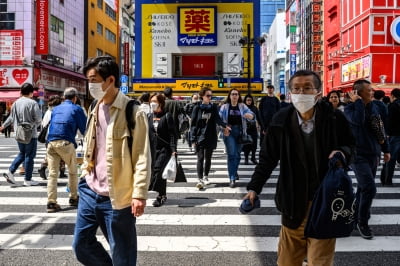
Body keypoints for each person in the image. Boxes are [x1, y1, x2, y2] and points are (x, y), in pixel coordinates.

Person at [244, 70, 355, 265]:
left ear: (318, 92)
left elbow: (351, 146)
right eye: (296, 88)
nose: (301, 93)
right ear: (290, 93)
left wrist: (342, 153)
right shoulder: (281, 120)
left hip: (324, 199)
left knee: (319, 261)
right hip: (292, 200)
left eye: (307, 88)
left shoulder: (334, 118)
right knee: (288, 260)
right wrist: (254, 187)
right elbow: (267, 158)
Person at [72, 56, 151, 265]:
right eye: (88, 80)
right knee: (81, 246)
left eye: (94, 80)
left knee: (122, 256)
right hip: (90, 189)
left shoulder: (133, 111)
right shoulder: (94, 108)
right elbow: (92, 146)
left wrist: (139, 194)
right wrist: (83, 176)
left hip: (118, 196)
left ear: (110, 80)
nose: (90, 86)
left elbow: (142, 156)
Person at [344, 79, 390, 239]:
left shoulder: (375, 106)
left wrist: (385, 149)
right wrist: (357, 103)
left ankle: (354, 219)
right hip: (358, 156)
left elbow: (380, 129)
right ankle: (362, 221)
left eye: (371, 90)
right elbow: (358, 120)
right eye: (368, 90)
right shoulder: (349, 109)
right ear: (357, 93)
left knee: (363, 189)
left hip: (373, 153)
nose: (372, 92)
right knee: (370, 188)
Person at [45, 88, 87, 212]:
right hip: (65, 142)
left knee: (52, 173)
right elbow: (85, 129)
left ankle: (51, 202)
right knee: (73, 171)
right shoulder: (77, 109)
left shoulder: (56, 109)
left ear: (64, 98)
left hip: (51, 142)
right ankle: (73, 197)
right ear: (75, 98)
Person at [1, 83, 42, 186]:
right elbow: (38, 119)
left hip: (19, 133)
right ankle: (27, 179)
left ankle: (10, 171)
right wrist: (33, 125)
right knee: (29, 156)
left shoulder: (15, 103)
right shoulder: (33, 103)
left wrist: (3, 126)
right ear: (31, 92)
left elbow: (11, 117)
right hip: (30, 134)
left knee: (22, 153)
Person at [190, 87, 228, 189]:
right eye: (208, 95)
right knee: (200, 158)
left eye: (211, 95)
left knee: (208, 157)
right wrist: (193, 139)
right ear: (202, 96)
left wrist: (225, 126)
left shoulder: (213, 107)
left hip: (210, 135)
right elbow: (193, 124)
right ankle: (199, 179)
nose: (210, 97)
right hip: (199, 136)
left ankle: (206, 176)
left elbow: (218, 119)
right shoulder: (197, 108)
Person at [219, 89, 254, 188]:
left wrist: (250, 116)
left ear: (239, 96)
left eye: (236, 94)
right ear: (229, 96)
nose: (234, 96)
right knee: (232, 155)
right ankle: (232, 178)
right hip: (229, 131)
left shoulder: (242, 106)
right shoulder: (224, 107)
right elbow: (219, 119)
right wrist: (223, 128)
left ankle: (234, 171)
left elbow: (252, 115)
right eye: (233, 94)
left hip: (240, 132)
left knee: (238, 155)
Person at [148, 92, 177, 207]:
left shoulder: (167, 116)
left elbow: (172, 134)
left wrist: (173, 149)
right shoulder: (149, 116)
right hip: (152, 149)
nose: (152, 104)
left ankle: (157, 192)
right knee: (159, 173)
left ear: (161, 103)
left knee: (158, 169)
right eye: (151, 101)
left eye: (155, 102)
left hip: (165, 149)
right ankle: (162, 195)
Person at [37, 95, 65, 180]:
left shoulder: (47, 112)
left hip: (47, 137)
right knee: (61, 153)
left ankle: (45, 167)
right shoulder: (58, 111)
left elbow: (43, 124)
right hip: (57, 135)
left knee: (51, 153)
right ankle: (59, 171)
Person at [380, 88, 400, 186]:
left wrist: (386, 133)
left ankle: (387, 180)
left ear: (392, 96)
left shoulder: (393, 106)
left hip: (394, 135)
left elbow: (389, 121)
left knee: (391, 158)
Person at [242, 94, 263, 165]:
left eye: (250, 100)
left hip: (253, 128)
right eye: (247, 100)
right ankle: (246, 158)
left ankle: (253, 157)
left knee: (254, 144)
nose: (249, 101)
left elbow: (259, 118)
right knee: (246, 145)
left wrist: (262, 127)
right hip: (245, 129)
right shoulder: (242, 108)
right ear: (245, 101)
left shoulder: (255, 108)